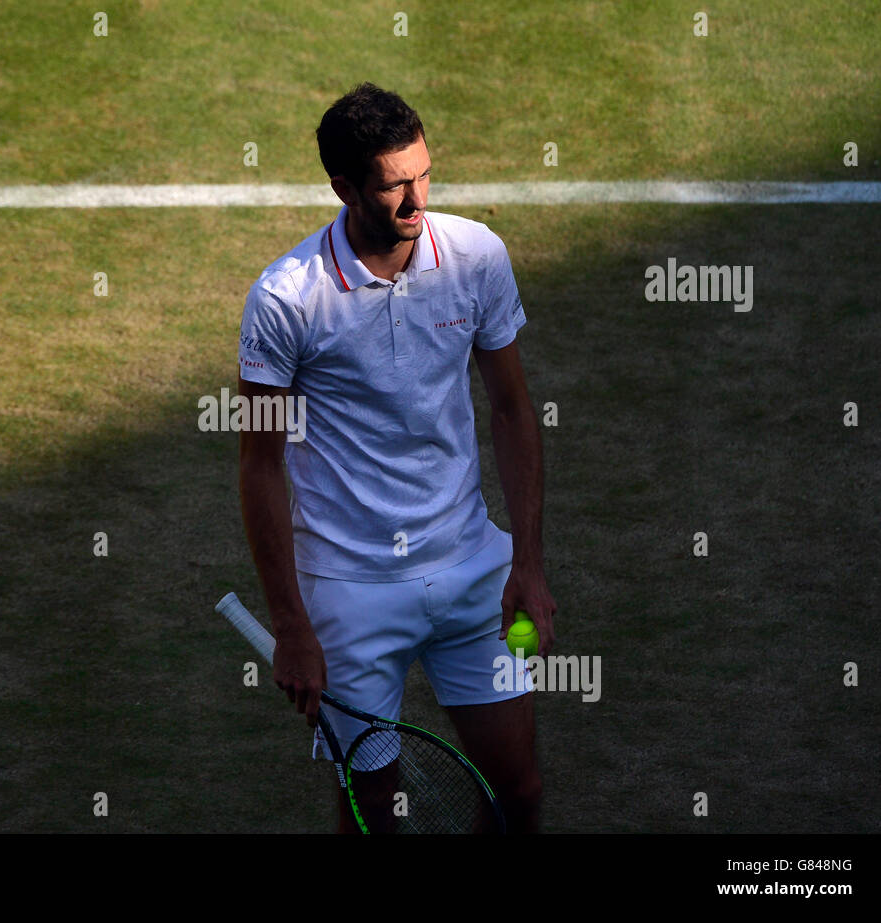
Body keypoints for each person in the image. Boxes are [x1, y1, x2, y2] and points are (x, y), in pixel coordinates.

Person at [236, 82, 557, 833]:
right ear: (344, 188)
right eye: (393, 184)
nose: (417, 199)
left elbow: (512, 409)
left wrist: (528, 562)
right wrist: (292, 624)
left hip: (473, 568)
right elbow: (259, 463)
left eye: (424, 174)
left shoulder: (477, 255)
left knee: (522, 790)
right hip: (348, 592)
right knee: (371, 811)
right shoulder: (284, 300)